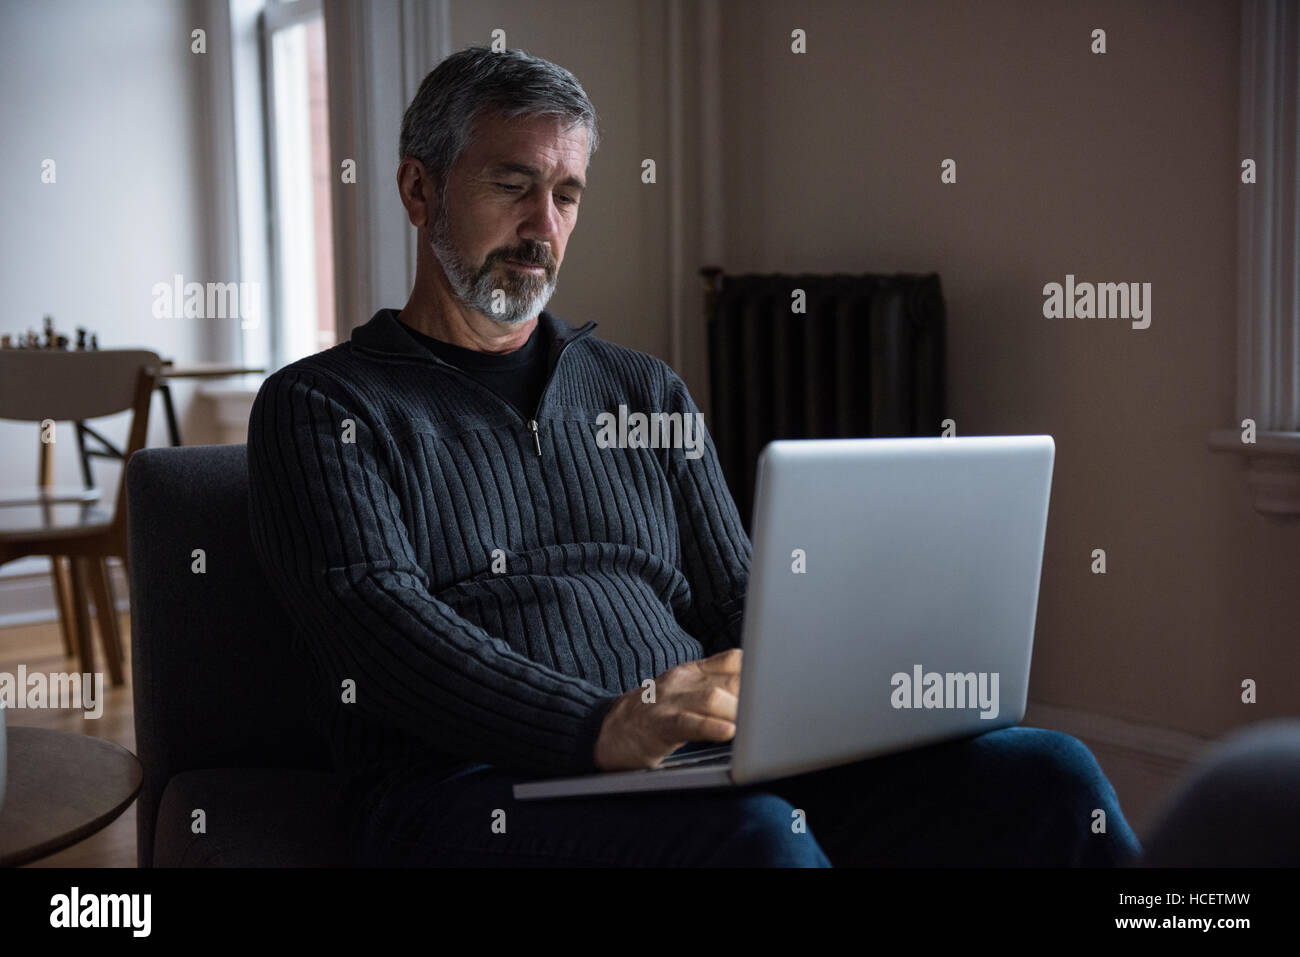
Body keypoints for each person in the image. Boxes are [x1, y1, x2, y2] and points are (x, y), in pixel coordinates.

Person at [246, 45, 1141, 867]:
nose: (541, 227)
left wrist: (849, 697)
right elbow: (383, 636)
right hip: (464, 790)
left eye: (565, 195)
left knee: (1049, 777)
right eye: (511, 185)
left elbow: (738, 603)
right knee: (759, 840)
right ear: (418, 190)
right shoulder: (323, 405)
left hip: (699, 763)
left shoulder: (647, 391)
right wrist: (602, 725)